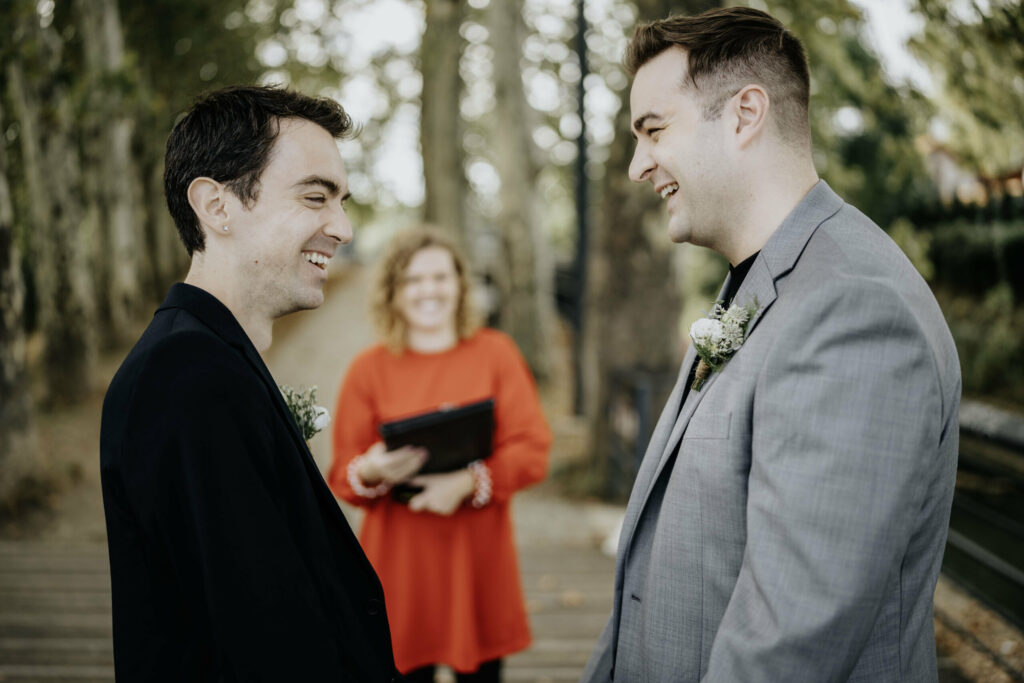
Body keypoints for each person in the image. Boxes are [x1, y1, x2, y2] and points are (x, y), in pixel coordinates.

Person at [583, 8, 961, 683]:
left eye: (654, 130)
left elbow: (789, 646)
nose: (639, 164)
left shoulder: (854, 309)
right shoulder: (763, 283)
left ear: (744, 115)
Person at [100, 86, 401, 681]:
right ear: (216, 205)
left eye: (342, 201)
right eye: (316, 197)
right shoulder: (186, 377)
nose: (341, 227)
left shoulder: (207, 356)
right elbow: (264, 637)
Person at [329, 228, 551, 682]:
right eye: (412, 280)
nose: (428, 290)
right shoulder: (367, 369)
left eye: (439, 277)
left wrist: (467, 483)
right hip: (400, 568)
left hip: (477, 561)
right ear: (393, 292)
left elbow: (532, 450)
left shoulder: (497, 354)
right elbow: (341, 475)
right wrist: (372, 468)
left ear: (460, 285)